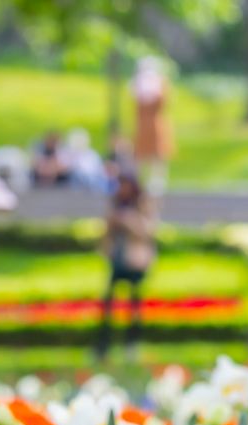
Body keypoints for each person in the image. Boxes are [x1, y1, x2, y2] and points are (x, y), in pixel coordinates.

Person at [96, 172, 155, 359]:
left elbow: (148, 231)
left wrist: (128, 221)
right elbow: (106, 233)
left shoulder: (142, 204)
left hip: (135, 261)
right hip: (117, 259)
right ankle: (103, 346)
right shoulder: (115, 204)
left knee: (134, 305)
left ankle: (132, 344)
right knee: (108, 304)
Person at [132, 57, 174, 198]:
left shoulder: (160, 83)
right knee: (141, 154)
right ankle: (140, 181)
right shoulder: (138, 83)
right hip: (143, 123)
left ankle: (157, 181)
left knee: (158, 153)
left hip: (156, 122)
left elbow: (163, 101)